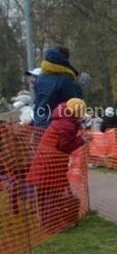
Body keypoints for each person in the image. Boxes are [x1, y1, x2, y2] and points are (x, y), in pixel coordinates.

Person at [27, 98, 87, 233]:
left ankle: (44, 222)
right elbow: (65, 147)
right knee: (54, 196)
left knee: (42, 195)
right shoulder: (67, 125)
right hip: (52, 164)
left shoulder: (59, 119)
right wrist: (82, 140)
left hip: (42, 161)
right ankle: (53, 225)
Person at [32, 47, 84, 128]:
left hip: (39, 121)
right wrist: (79, 87)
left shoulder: (40, 78)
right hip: (57, 124)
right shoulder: (65, 79)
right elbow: (72, 102)